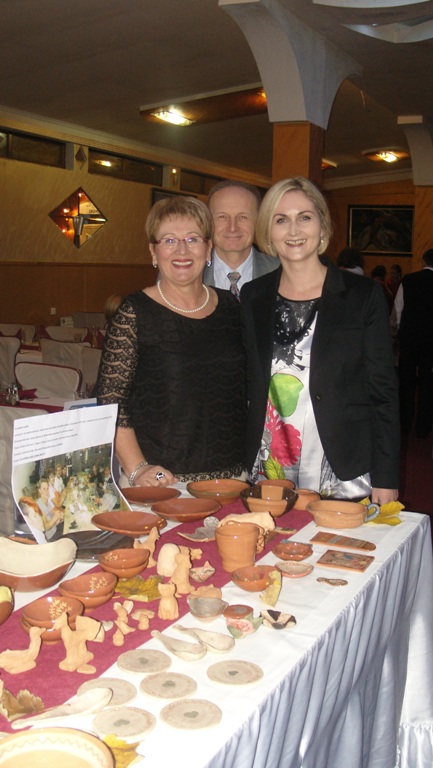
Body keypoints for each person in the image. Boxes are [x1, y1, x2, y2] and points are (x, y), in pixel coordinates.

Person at [240, 177, 399, 505]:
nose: (293, 230)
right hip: (269, 462)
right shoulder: (253, 296)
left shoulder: (363, 295)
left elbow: (383, 392)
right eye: (281, 220)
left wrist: (386, 476)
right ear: (268, 231)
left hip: (342, 464)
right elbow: (246, 384)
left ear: (322, 226)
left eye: (305, 217)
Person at [96, 195, 247, 487]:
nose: (182, 250)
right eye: (168, 240)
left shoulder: (232, 307)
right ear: (153, 252)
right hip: (163, 484)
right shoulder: (134, 312)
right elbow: (111, 401)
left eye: (192, 238)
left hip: (232, 480)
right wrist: (138, 470)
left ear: (208, 249)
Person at [204, 180, 279, 296]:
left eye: (243, 217)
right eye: (222, 217)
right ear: (208, 221)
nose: (232, 228)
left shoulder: (282, 272)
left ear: (258, 221)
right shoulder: (190, 273)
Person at [391, 249, 433, 438]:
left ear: (423, 261)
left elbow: (398, 310)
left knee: (406, 381)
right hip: (430, 340)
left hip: (409, 338)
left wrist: (397, 332)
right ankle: (424, 425)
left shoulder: (408, 280)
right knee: (427, 381)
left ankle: (405, 422)